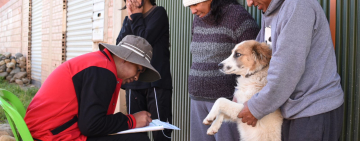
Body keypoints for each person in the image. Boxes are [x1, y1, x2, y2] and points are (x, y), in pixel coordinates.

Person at [238, 0, 344, 140]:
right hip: (292, 110)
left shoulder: (298, 5)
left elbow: (286, 69)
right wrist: (240, 94)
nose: (250, 3)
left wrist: (256, 107)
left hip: (312, 110)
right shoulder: (272, 11)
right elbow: (262, 62)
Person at [24, 35, 161, 141]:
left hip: (46, 130)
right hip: (50, 135)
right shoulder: (103, 71)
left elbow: (91, 122)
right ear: (124, 58)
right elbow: (91, 125)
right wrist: (132, 120)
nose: (137, 78)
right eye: (138, 70)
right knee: (138, 139)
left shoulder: (99, 63)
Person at [182, 0, 260, 140]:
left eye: (195, 5)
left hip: (226, 102)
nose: (193, 11)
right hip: (197, 100)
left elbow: (254, 64)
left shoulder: (237, 16)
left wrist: (244, 97)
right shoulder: (198, 18)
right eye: (190, 7)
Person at [116, 0, 173, 140]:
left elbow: (143, 43)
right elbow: (121, 46)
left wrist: (135, 16)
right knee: (135, 134)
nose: (129, 2)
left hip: (156, 84)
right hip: (133, 84)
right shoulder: (128, 19)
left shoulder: (158, 13)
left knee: (161, 132)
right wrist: (131, 18)